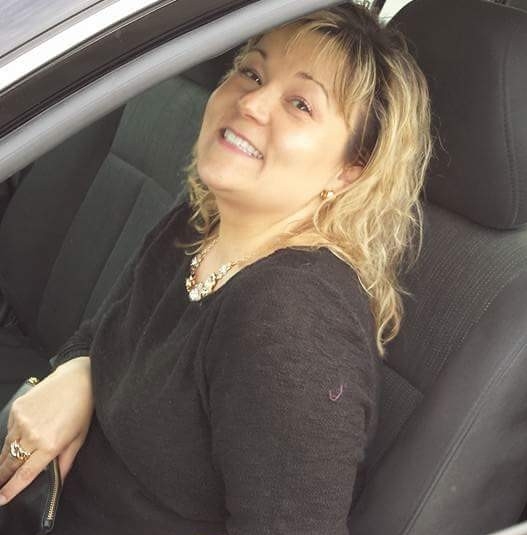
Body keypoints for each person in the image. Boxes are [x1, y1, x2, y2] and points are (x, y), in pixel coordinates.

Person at [0, 3, 432, 534]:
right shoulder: (202, 221)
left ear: (348, 171)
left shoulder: (293, 322)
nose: (250, 101)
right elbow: (109, 331)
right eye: (251, 71)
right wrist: (78, 373)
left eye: (300, 103)